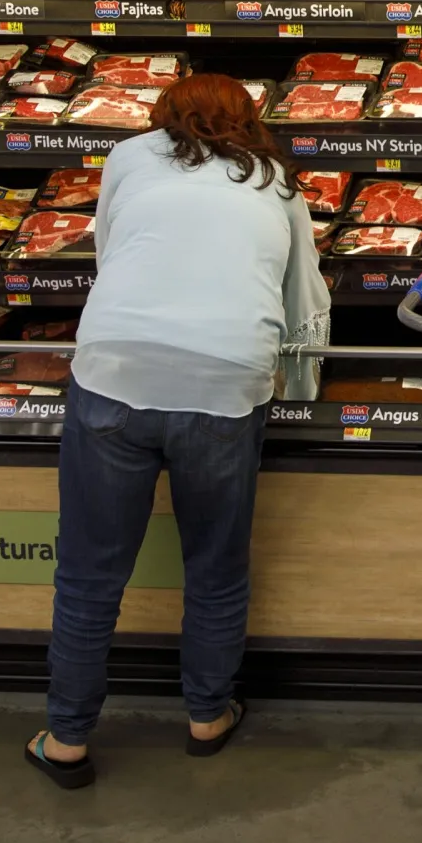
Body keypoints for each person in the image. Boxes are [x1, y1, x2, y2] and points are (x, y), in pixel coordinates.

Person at [26, 72, 328, 789]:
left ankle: (66, 737)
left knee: (88, 575)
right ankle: (207, 716)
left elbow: (114, 255)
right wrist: (302, 392)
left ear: (164, 116)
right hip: (226, 383)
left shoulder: (127, 157)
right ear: (251, 120)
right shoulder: (279, 184)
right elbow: (305, 306)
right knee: (216, 567)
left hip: (114, 372)